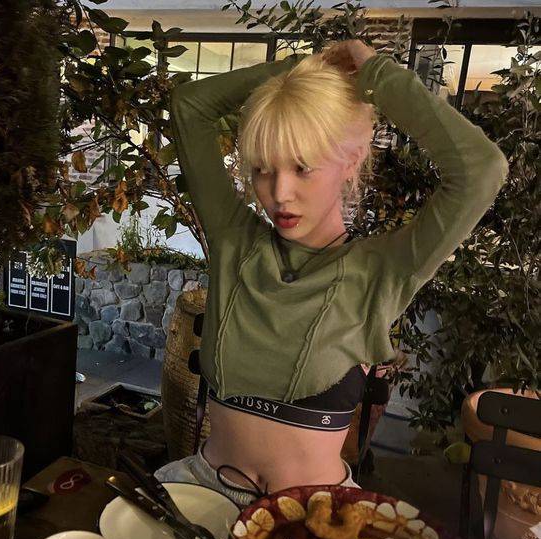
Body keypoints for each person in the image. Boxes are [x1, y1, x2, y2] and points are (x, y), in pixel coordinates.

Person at [154, 39, 509, 507]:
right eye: (261, 169)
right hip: (203, 498)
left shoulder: (383, 271)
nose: (279, 193)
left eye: (303, 167)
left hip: (315, 517)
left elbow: (482, 169)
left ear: (350, 162)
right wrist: (298, 69)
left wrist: (377, 75)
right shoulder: (233, 241)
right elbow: (189, 106)